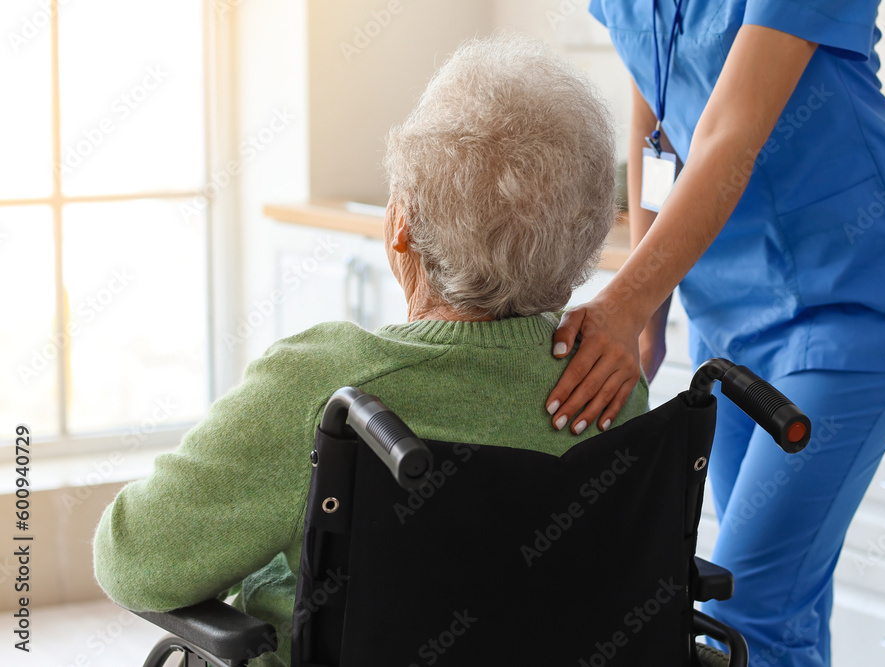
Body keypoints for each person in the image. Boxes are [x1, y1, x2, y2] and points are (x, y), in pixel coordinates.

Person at [92, 33, 648, 667]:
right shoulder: (610, 385)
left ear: (401, 226)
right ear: (588, 235)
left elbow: (133, 559)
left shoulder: (324, 387)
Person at [542, 1, 885, 665]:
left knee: (740, 613)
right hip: (727, 313)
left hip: (852, 301)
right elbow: (653, 112)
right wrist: (650, 317)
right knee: (782, 613)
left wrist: (624, 304)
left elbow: (727, 135)